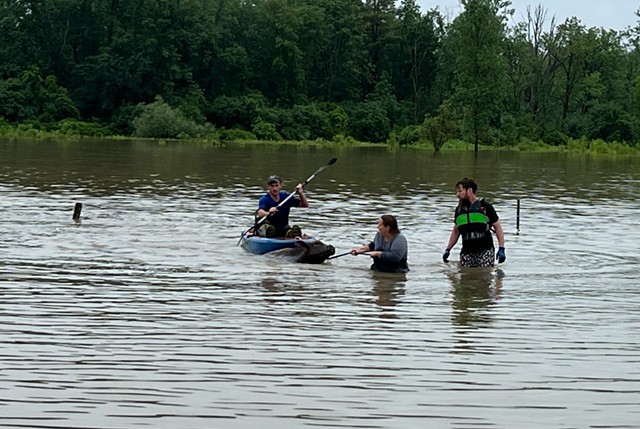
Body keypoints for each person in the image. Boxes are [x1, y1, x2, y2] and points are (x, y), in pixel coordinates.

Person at [442, 178, 506, 267]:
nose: (457, 194)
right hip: (467, 252)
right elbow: (456, 231)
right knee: (465, 278)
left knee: (484, 277)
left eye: (460, 191)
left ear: (469, 190)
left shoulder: (485, 207)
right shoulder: (459, 210)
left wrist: (501, 248)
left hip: (485, 250)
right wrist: (448, 249)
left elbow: (497, 227)